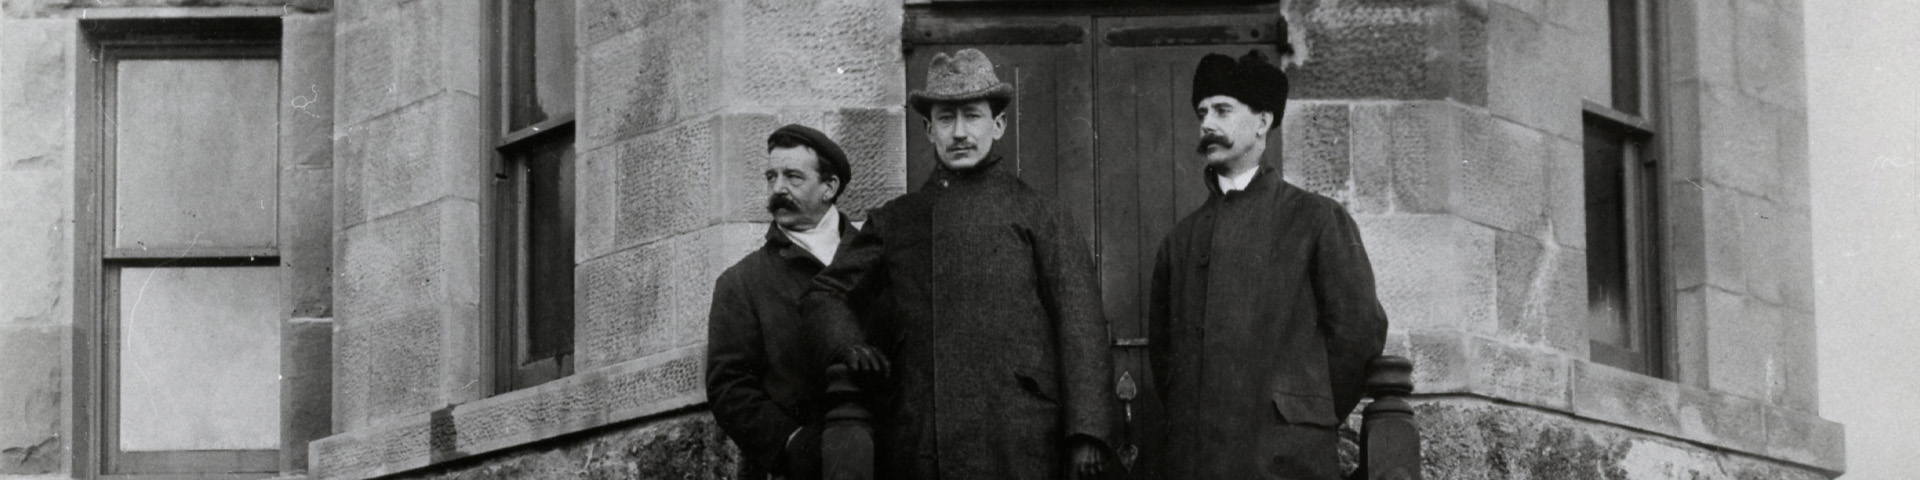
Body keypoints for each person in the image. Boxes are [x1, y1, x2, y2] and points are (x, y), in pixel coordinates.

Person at [801, 48, 1114, 479]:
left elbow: (1081, 326)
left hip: (1020, 435)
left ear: (998, 124)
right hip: (923, 438)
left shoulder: (1040, 213)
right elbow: (826, 293)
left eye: (973, 116)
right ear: (929, 130)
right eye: (946, 119)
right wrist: (846, 344)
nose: (960, 132)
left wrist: (1087, 432)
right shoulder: (897, 219)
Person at [1147, 50, 1389, 479]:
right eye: (1203, 112)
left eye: (1223, 110)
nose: (1207, 124)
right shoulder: (1180, 242)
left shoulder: (1315, 219)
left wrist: (1300, 408)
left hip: (1286, 461)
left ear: (1262, 122)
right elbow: (1165, 358)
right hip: (1195, 463)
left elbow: (1359, 331)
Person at [708, 124, 859, 480]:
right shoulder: (742, 283)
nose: (778, 189)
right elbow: (729, 386)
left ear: (829, 187)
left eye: (793, 177)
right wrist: (790, 442)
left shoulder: (876, 258)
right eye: (771, 176)